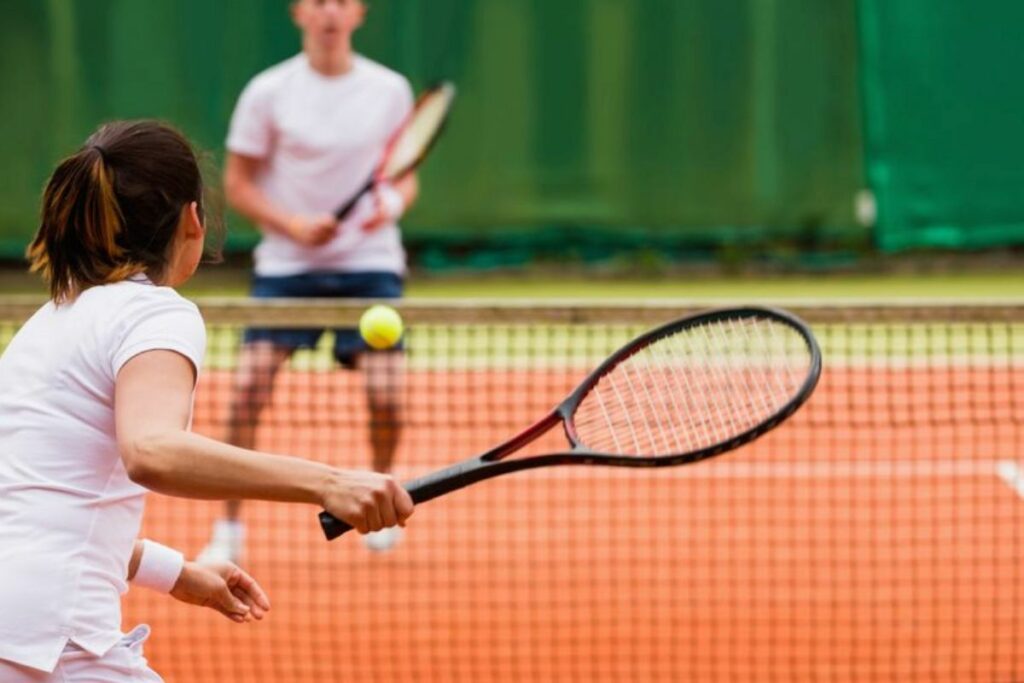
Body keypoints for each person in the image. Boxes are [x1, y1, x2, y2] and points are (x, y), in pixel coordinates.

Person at [0, 120, 414, 683]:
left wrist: (177, 573)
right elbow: (152, 450)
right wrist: (329, 481)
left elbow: (40, 515)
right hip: (54, 640)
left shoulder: (50, 323)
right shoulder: (154, 313)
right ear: (192, 219)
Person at [197, 0, 418, 561]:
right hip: (288, 269)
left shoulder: (389, 89)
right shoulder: (268, 92)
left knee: (387, 396)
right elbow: (240, 183)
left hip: (370, 266)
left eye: (341, 2)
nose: (330, 13)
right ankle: (228, 529)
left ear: (359, 13)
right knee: (247, 391)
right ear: (299, 12)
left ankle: (381, 492)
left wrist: (387, 204)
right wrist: (292, 224)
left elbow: (403, 174)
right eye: (318, 1)